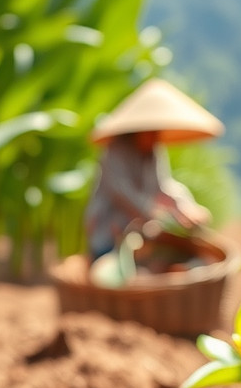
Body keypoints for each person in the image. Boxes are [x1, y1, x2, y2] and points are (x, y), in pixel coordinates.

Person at [84, 79, 221, 261]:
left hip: (138, 233)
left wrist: (186, 206)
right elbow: (122, 194)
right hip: (109, 231)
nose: (155, 137)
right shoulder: (114, 152)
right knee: (111, 268)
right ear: (138, 129)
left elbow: (164, 185)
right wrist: (158, 216)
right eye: (151, 131)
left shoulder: (154, 152)